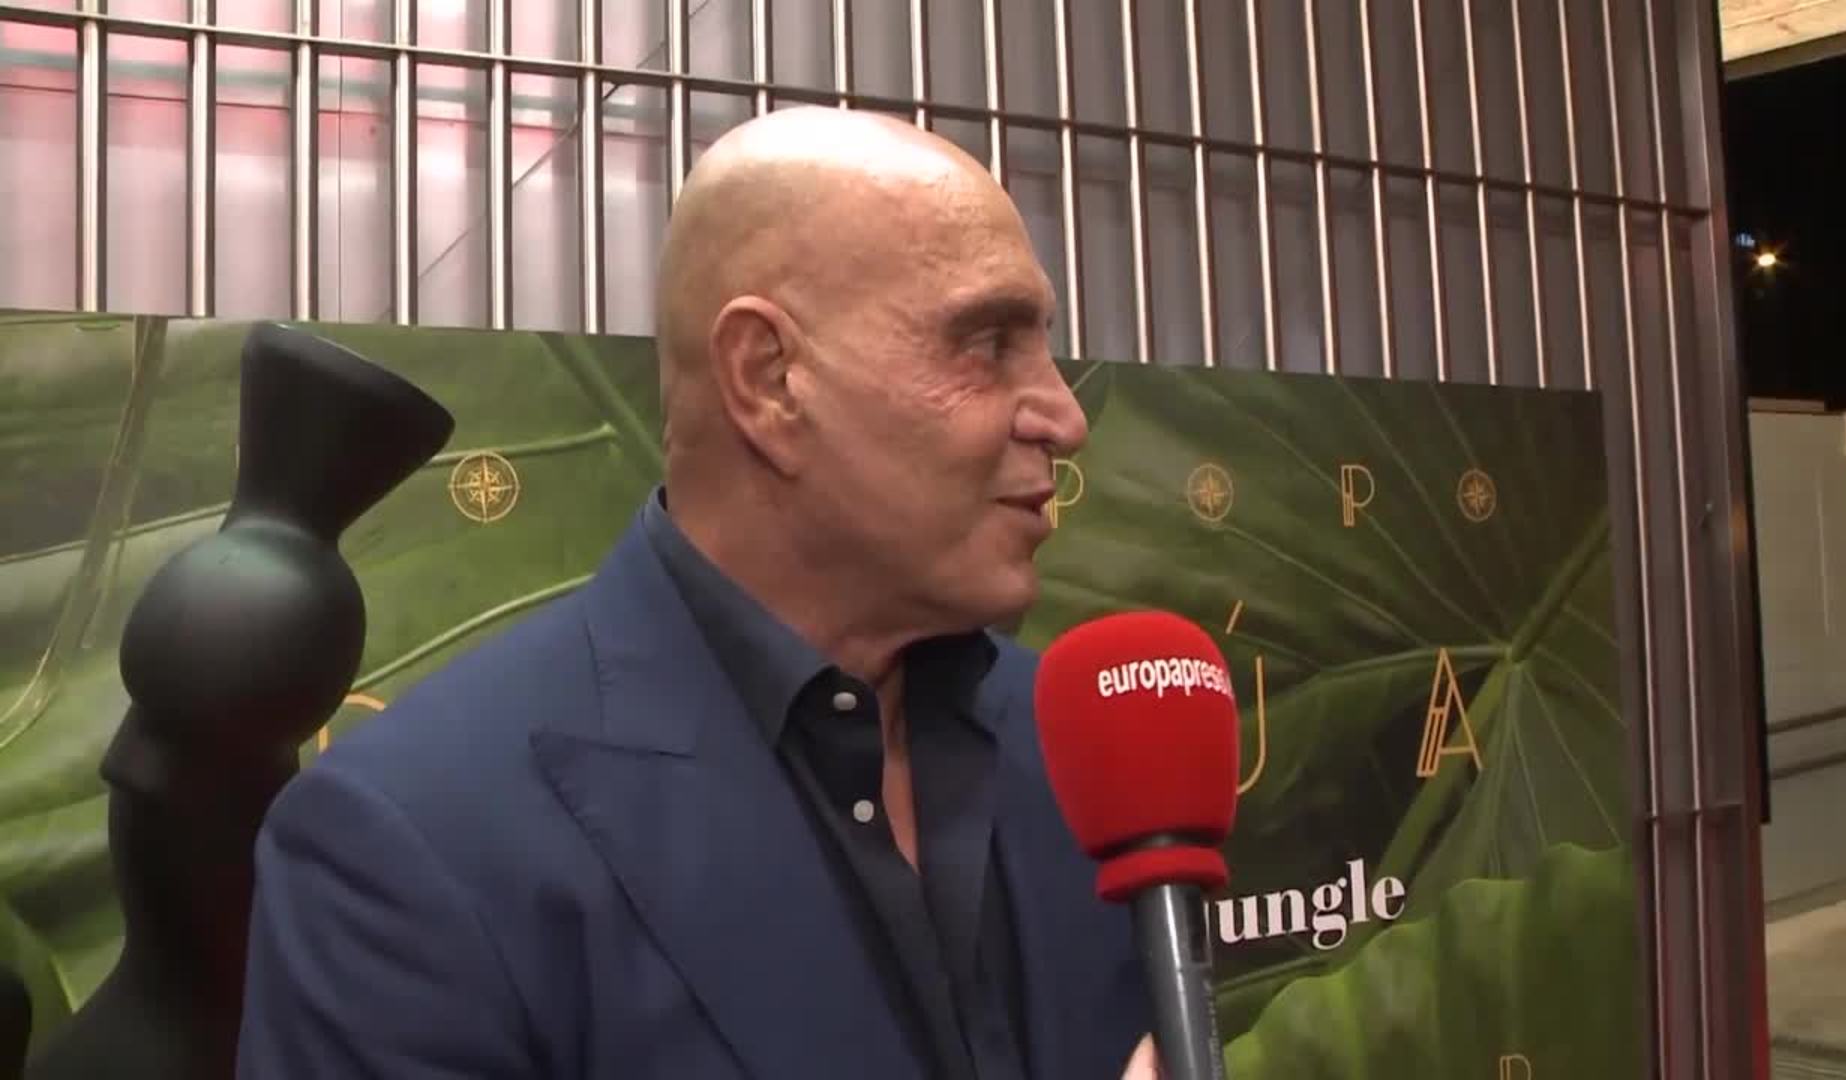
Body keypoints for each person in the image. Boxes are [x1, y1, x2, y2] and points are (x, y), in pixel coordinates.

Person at [235, 106, 1159, 1078]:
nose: (1064, 416)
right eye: (988, 344)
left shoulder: (1083, 747)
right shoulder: (413, 847)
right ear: (769, 378)